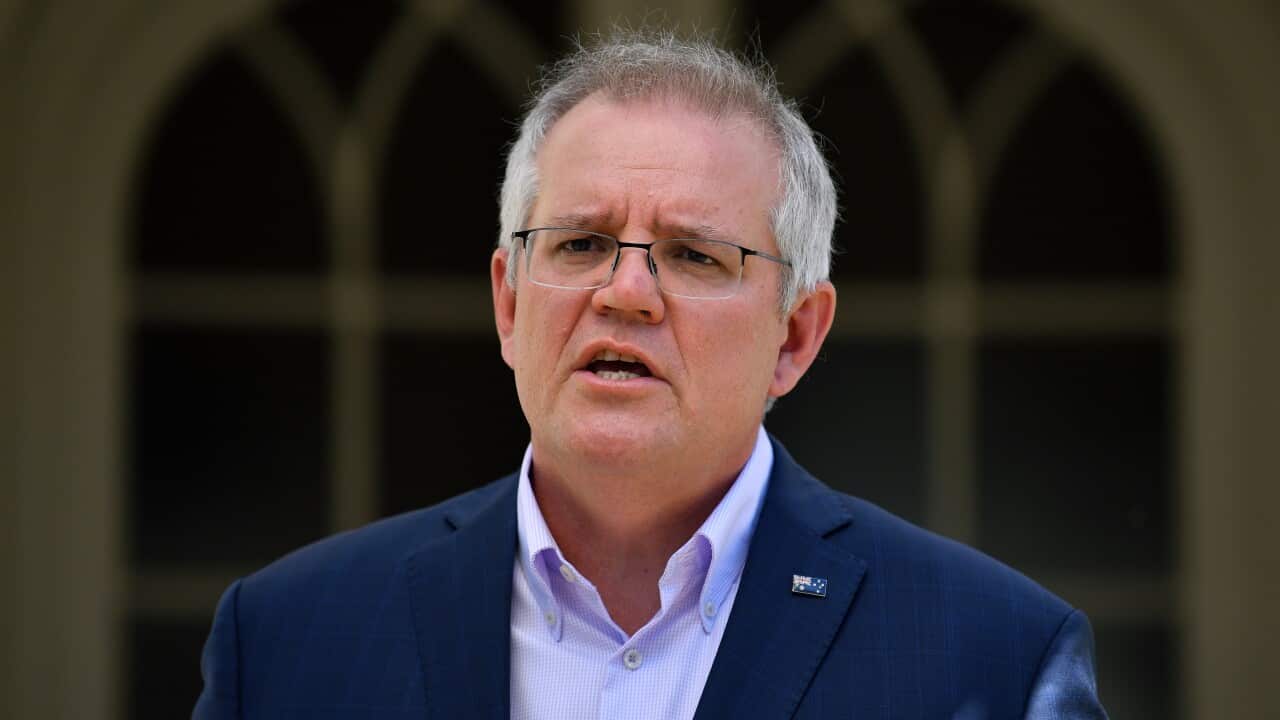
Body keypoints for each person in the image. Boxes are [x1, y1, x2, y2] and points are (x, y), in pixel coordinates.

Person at [195, 30, 1107, 719]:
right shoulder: (285, 639)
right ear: (509, 303)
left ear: (795, 336)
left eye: (694, 255)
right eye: (582, 243)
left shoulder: (994, 659)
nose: (626, 292)